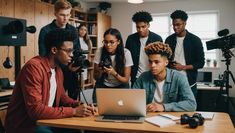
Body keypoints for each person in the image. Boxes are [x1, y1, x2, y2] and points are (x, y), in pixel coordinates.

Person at [5, 29, 95, 133]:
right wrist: (74, 111)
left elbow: (62, 98)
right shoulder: (34, 68)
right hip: (26, 125)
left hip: (44, 121)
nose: (71, 55)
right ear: (54, 50)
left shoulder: (58, 70)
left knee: (77, 130)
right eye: (68, 51)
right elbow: (36, 111)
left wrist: (80, 105)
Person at [133, 41, 196, 112]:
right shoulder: (143, 77)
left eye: (156, 62)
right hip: (148, 117)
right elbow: (131, 99)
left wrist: (164, 107)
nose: (152, 65)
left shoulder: (179, 77)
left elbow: (191, 104)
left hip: (170, 118)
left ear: (166, 62)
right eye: (150, 62)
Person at [38, 0, 80, 100]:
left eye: (68, 14)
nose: (65, 18)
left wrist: (76, 64)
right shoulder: (46, 31)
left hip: (71, 71)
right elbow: (43, 55)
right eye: (62, 15)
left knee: (72, 100)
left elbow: (77, 50)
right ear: (55, 14)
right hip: (53, 72)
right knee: (54, 99)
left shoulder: (73, 30)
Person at [165, 10, 205, 98]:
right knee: (171, 109)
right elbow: (165, 60)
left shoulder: (195, 40)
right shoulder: (169, 40)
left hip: (189, 83)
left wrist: (183, 67)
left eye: (178, 25)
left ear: (185, 23)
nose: (175, 27)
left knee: (190, 109)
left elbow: (200, 63)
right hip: (171, 82)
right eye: (173, 25)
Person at [92, 28, 133, 103]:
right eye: (105, 42)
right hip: (103, 83)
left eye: (112, 42)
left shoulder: (126, 53)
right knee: (97, 108)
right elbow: (95, 77)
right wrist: (100, 72)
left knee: (122, 109)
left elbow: (126, 80)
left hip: (121, 85)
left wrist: (114, 73)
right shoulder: (100, 51)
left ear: (118, 42)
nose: (108, 45)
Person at [126, 11, 163, 86]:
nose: (140, 30)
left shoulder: (157, 38)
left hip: (153, 76)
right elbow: (126, 58)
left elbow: (161, 59)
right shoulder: (131, 39)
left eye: (143, 27)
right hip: (136, 77)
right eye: (138, 27)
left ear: (148, 25)